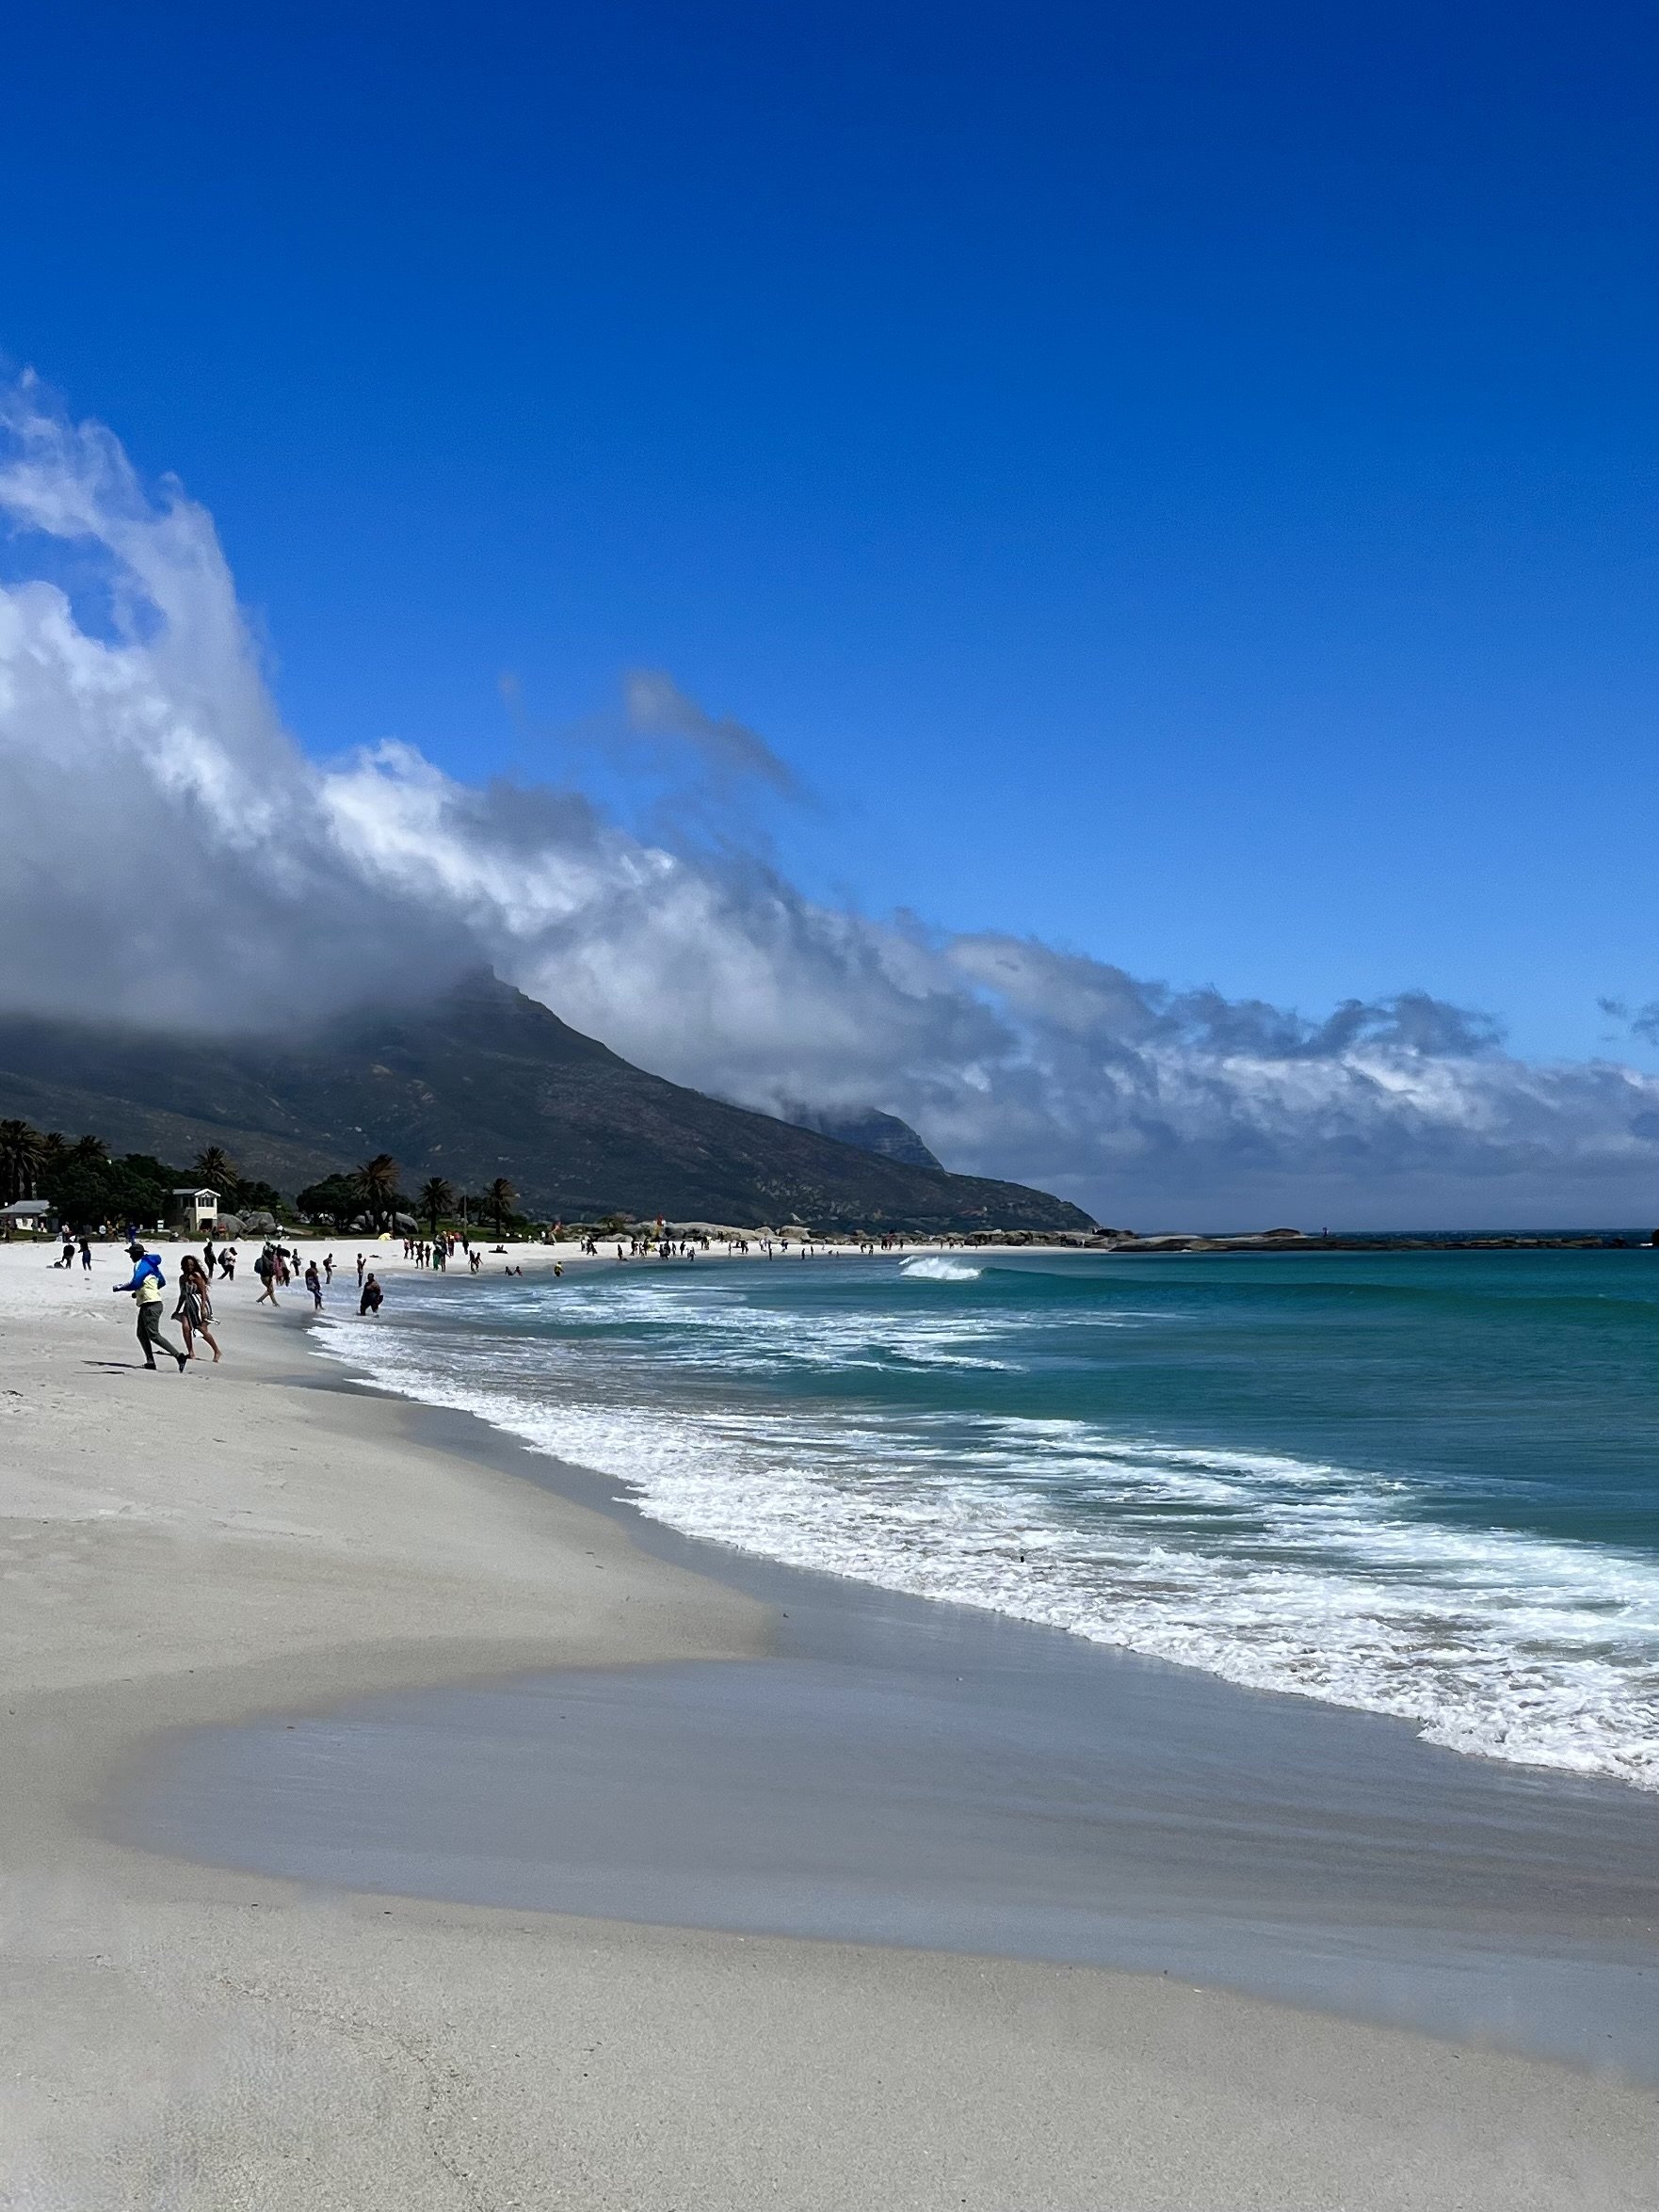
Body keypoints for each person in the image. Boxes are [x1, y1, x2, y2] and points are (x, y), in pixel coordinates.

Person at [111, 1242, 188, 1371]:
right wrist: (141, 1292)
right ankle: (150, 1362)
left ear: (136, 1254)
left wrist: (120, 1287)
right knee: (141, 1333)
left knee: (153, 1334)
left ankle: (179, 1356)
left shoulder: (140, 1264)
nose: (130, 1257)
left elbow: (135, 1282)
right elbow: (161, 1282)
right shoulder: (151, 1265)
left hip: (151, 1304)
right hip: (151, 1302)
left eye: (131, 1254)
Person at [173, 1253, 221, 1363]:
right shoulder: (182, 1278)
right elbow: (182, 1295)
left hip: (199, 1303)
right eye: (187, 1265)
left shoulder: (196, 1276)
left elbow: (203, 1291)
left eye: (191, 1265)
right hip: (188, 1305)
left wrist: (203, 1307)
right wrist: (177, 1310)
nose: (189, 1267)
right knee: (186, 1327)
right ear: (183, 1266)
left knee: (201, 1329)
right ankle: (191, 1352)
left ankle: (217, 1351)